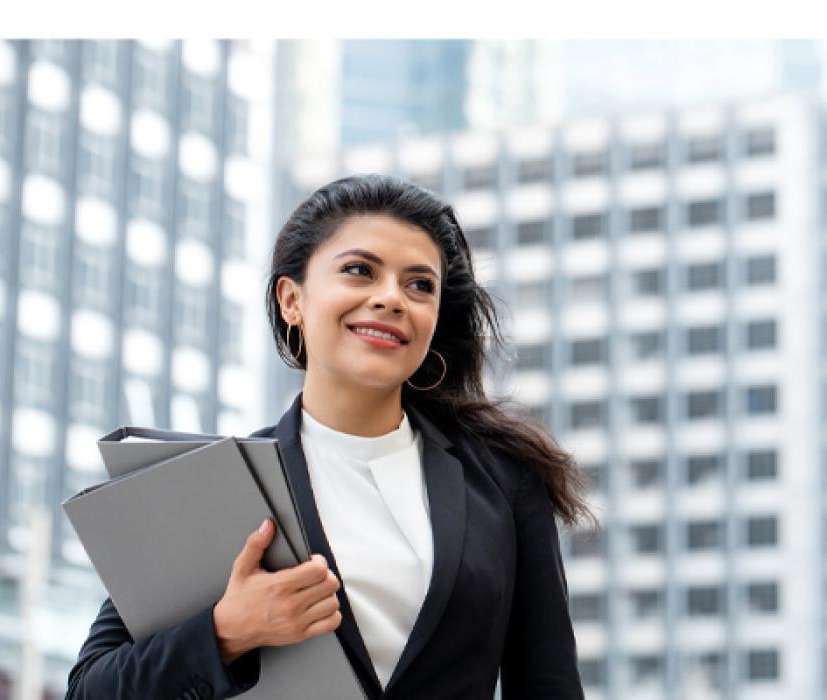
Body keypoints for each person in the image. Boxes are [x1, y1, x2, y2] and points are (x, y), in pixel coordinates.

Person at [65, 174, 592, 699]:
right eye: (359, 271)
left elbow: (549, 686)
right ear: (292, 299)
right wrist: (227, 631)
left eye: (419, 285)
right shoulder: (214, 484)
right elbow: (91, 690)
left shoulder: (503, 481)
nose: (391, 298)